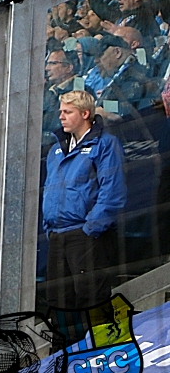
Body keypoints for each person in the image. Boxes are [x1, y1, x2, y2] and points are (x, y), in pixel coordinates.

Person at [42, 90, 127, 310]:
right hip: (58, 234)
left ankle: (100, 345)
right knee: (59, 301)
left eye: (68, 112)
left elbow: (112, 190)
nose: (61, 116)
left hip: (85, 234)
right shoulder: (55, 150)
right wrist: (48, 226)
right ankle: (64, 345)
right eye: (61, 111)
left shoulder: (105, 144)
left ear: (85, 113)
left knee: (92, 297)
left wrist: (91, 227)